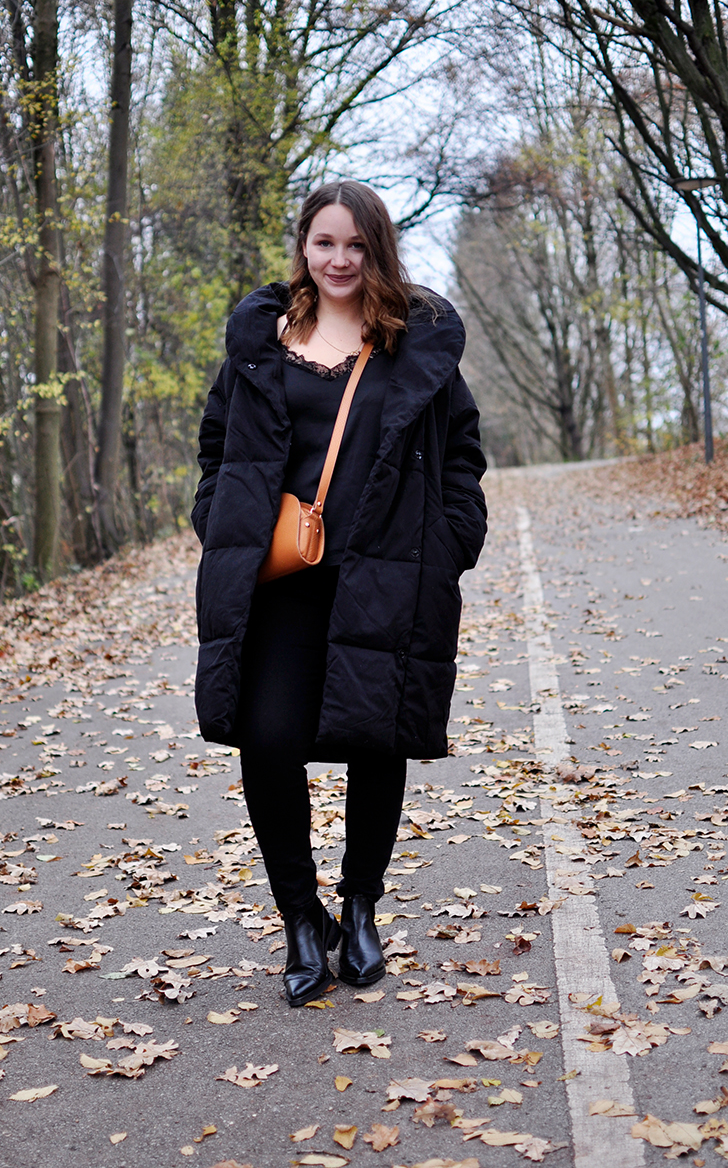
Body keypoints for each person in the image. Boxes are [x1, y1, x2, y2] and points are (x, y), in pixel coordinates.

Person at [191, 180, 487, 1007]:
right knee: (268, 738)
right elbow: (216, 445)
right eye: (326, 242)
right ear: (304, 247)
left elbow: (461, 451)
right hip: (281, 579)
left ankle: (360, 909)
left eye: (356, 244)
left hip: (387, 573)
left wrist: (450, 543)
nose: (340, 259)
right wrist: (220, 522)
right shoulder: (263, 342)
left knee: (374, 739)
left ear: (377, 249)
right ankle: (299, 915)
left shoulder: (412, 346)